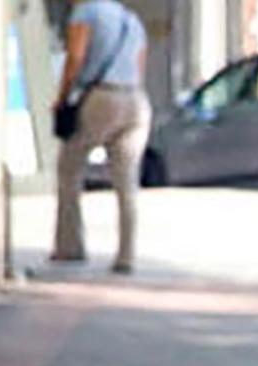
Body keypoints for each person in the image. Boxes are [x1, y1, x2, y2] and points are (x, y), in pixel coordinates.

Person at [52, 0, 150, 274]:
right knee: (126, 181)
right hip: (136, 101)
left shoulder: (85, 12)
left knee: (69, 167)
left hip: (101, 97)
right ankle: (126, 255)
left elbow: (75, 58)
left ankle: (70, 246)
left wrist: (62, 98)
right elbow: (139, 67)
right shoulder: (133, 21)